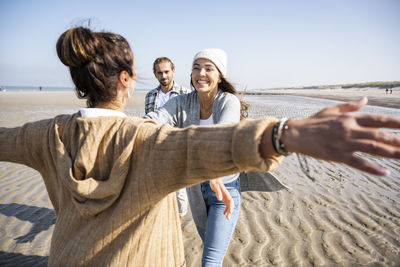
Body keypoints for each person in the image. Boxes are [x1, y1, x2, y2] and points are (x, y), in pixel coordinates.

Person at [1, 27, 400, 266]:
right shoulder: (149, 142)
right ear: (128, 79)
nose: (197, 73)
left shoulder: (44, 134)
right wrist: (284, 134)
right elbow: (200, 146)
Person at [145, 48, 286, 266]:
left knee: (210, 262)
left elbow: (224, 133)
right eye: (196, 68)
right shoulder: (183, 102)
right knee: (209, 251)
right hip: (196, 193)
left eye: (208, 68)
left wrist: (215, 171)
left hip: (225, 192)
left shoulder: (228, 101)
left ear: (219, 75)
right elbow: (155, 117)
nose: (201, 73)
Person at [145, 57, 192, 221]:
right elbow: (149, 123)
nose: (164, 76)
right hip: (157, 148)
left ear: (173, 71)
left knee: (179, 189)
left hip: (178, 146)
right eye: (160, 72)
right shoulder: (151, 96)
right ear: (155, 74)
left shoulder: (185, 94)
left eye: (166, 72)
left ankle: (178, 221)